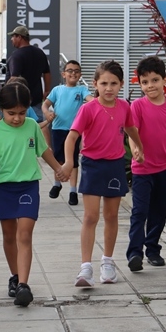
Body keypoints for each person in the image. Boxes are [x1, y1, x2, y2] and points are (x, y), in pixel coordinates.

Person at [0, 81, 67, 306]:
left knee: (24, 234)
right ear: (1, 110)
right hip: (3, 189)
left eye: (22, 113)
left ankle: (23, 284)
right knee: (9, 235)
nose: (17, 118)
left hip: (28, 187)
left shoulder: (32, 126)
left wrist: (58, 169)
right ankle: (15, 276)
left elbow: (44, 150)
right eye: (11, 113)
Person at [61, 60, 143, 287]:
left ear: (121, 84)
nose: (109, 88)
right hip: (92, 165)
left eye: (114, 83)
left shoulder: (124, 107)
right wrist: (68, 162)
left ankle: (107, 262)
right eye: (104, 83)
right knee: (90, 217)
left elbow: (130, 128)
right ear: (95, 84)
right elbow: (72, 137)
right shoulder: (88, 109)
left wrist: (139, 147)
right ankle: (85, 267)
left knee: (111, 215)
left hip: (115, 165)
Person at [126, 56, 166, 270]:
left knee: (160, 209)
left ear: (164, 80)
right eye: (145, 82)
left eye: (154, 80)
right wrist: (136, 149)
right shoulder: (137, 106)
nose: (150, 86)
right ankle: (134, 253)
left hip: (165, 166)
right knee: (140, 211)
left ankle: (152, 249)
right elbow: (131, 132)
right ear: (140, 84)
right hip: (142, 168)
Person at [42, 60, 92, 206]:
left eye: (76, 71)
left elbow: (91, 100)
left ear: (80, 75)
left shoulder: (82, 90)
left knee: (74, 160)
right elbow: (46, 104)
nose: (73, 73)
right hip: (58, 128)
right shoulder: (57, 90)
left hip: (74, 130)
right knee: (58, 158)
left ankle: (73, 190)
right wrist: (47, 113)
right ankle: (57, 183)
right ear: (63, 74)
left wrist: (100, 101)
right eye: (70, 70)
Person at [6, 25, 51, 143]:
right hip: (36, 98)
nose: (11, 39)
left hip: (20, 100)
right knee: (39, 126)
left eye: (13, 36)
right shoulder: (40, 53)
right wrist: (47, 90)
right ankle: (46, 148)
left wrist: (4, 94)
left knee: (18, 129)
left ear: (20, 37)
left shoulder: (17, 55)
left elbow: (14, 78)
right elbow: (47, 73)